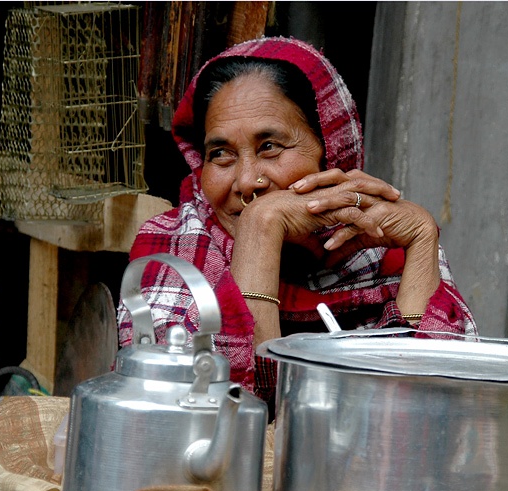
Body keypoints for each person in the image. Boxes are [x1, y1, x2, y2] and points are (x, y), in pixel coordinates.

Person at [118, 36, 476, 411]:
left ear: (331, 150)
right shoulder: (173, 248)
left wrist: (421, 240)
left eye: (270, 146)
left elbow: (433, 407)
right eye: (220, 154)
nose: (246, 182)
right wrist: (261, 230)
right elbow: (203, 409)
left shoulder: (386, 243)